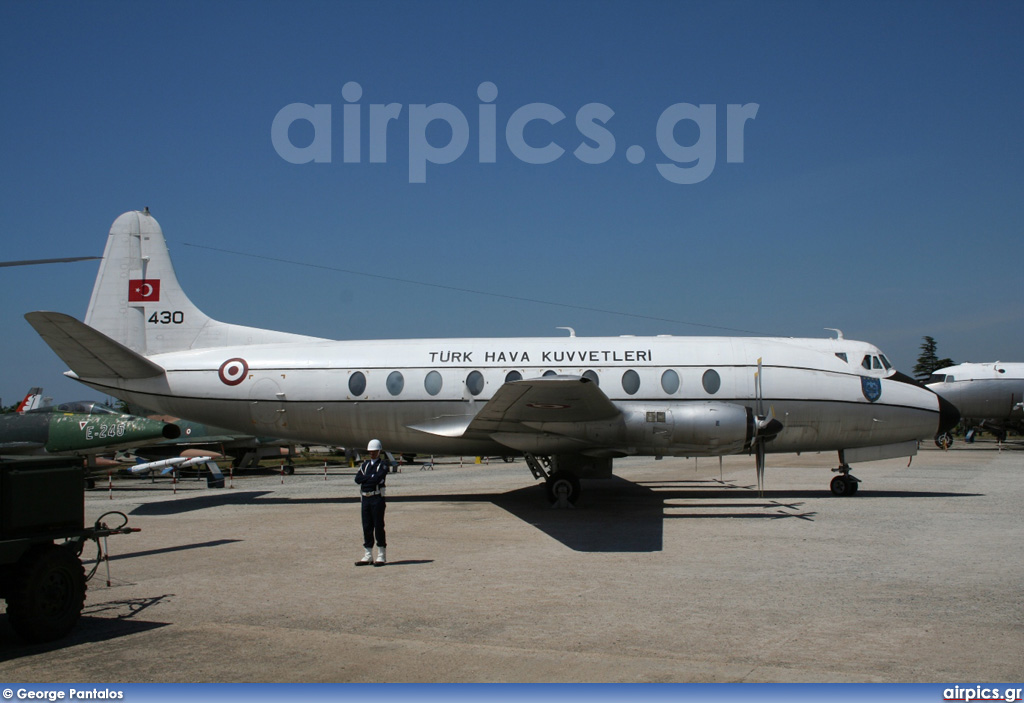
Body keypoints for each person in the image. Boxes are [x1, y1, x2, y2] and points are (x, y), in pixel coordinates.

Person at [355, 438, 389, 566]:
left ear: (379, 451)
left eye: (374, 451)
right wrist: (370, 477)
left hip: (377, 498)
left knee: (378, 526)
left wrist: (367, 479)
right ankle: (368, 554)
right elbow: (358, 479)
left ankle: (381, 554)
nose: (372, 453)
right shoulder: (365, 465)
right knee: (367, 526)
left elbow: (377, 479)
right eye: (370, 451)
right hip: (365, 498)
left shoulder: (383, 464)